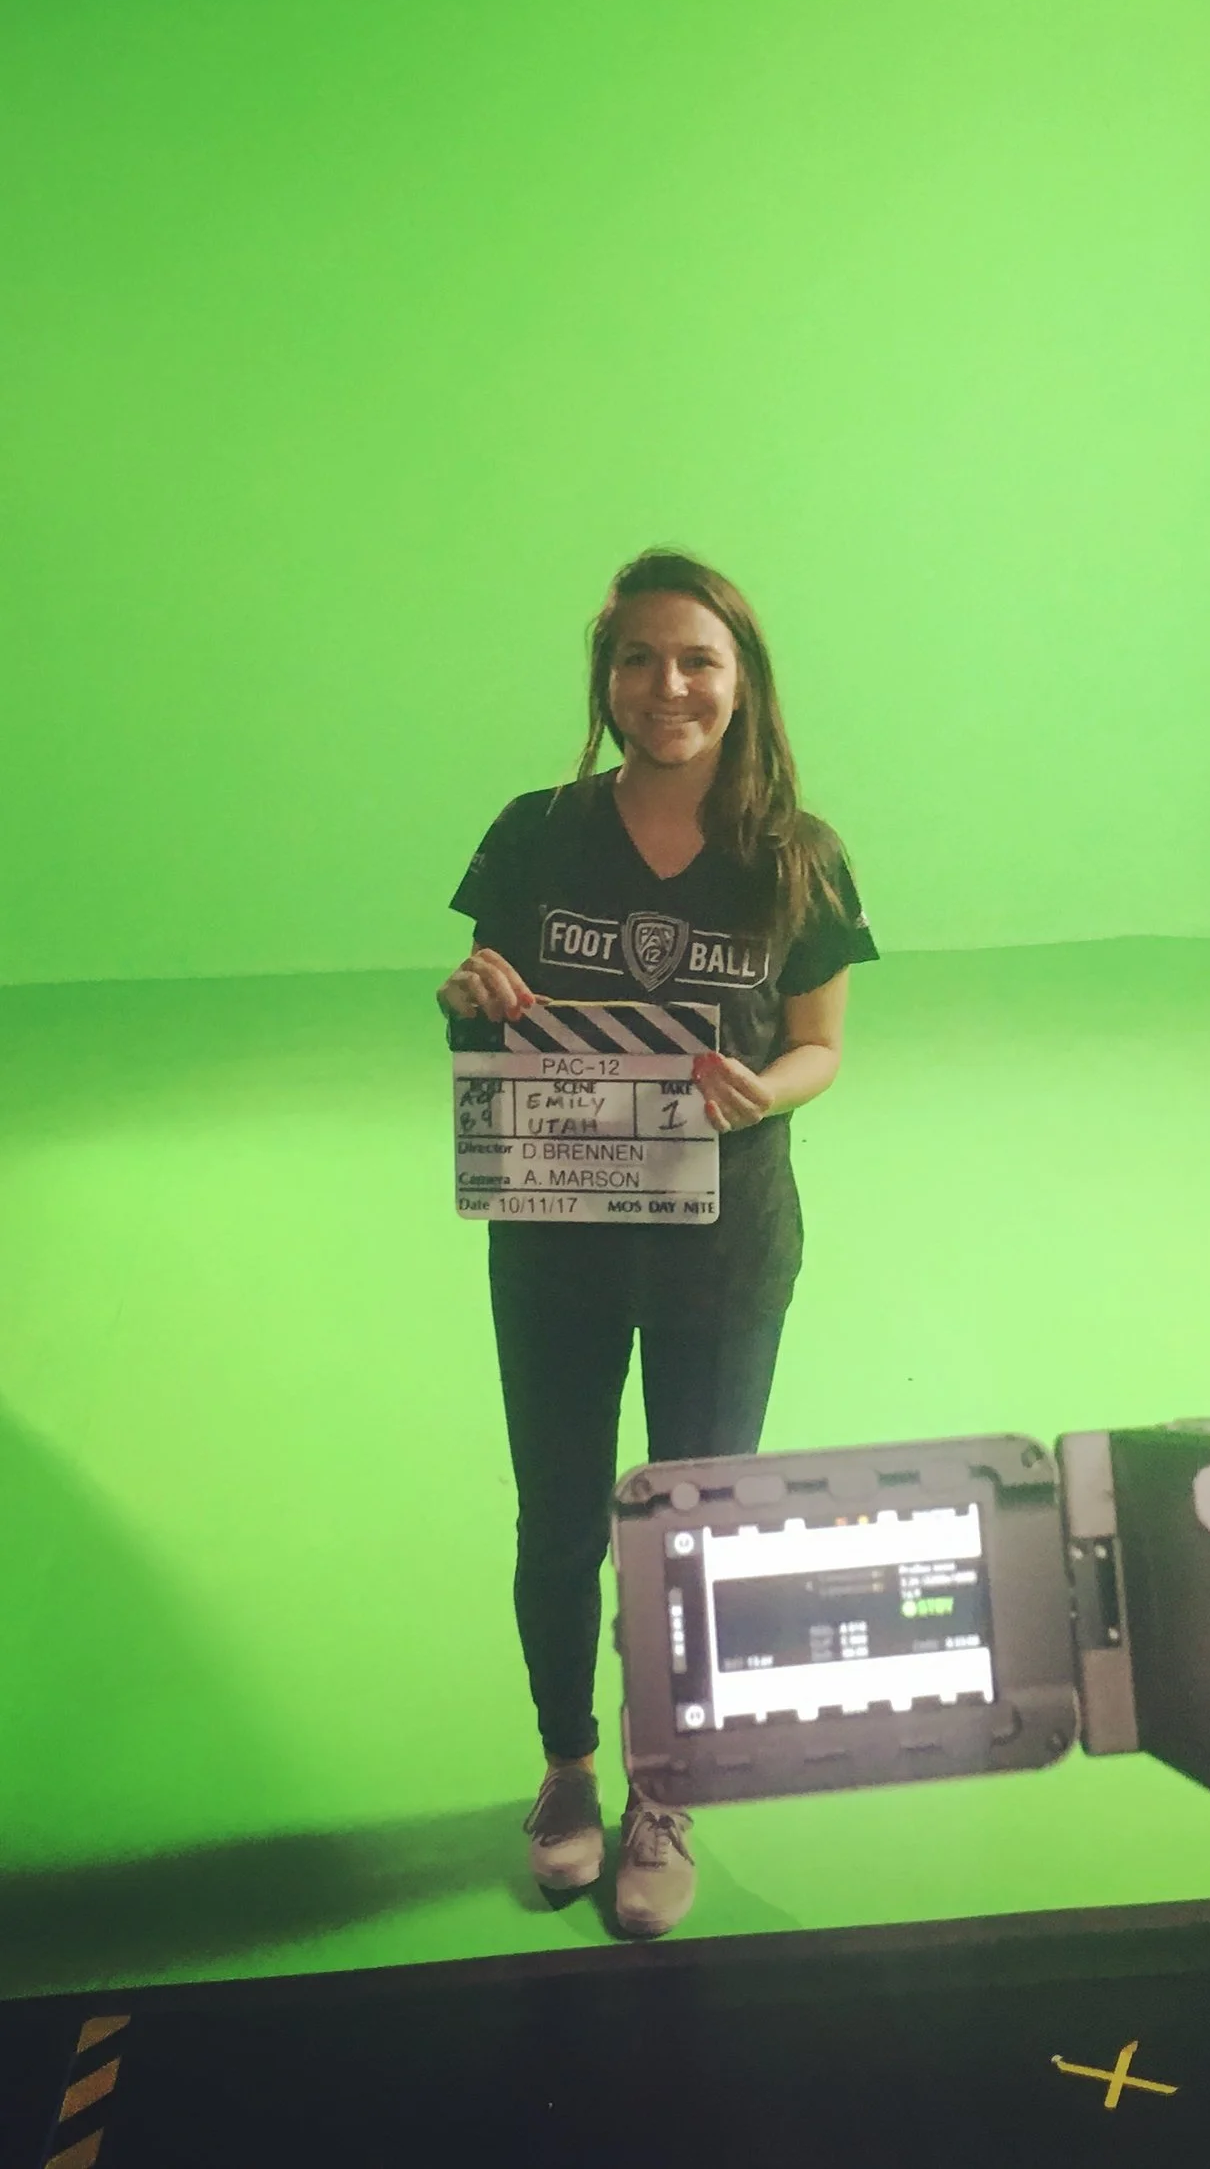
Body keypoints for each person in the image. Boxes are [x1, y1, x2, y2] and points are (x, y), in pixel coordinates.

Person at [438, 549, 876, 1938]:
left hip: (725, 1252)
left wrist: (765, 1093)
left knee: (692, 1536)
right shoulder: (535, 832)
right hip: (558, 1240)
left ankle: (668, 1788)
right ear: (605, 677)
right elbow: (487, 1017)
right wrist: (468, 998)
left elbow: (820, 1051)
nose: (666, 686)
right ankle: (569, 1771)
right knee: (561, 1522)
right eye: (639, 659)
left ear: (742, 684)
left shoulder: (796, 855)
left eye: (698, 660)